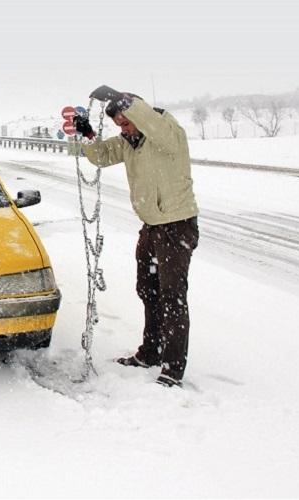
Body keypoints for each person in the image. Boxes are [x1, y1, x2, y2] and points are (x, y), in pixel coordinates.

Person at [74, 85, 199, 388]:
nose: (124, 129)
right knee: (148, 290)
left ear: (138, 113)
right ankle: (151, 352)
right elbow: (101, 156)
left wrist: (124, 101)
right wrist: (88, 135)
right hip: (152, 226)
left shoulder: (167, 132)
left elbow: (151, 123)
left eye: (126, 122)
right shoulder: (130, 142)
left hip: (176, 226)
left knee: (172, 298)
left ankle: (172, 369)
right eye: (119, 125)